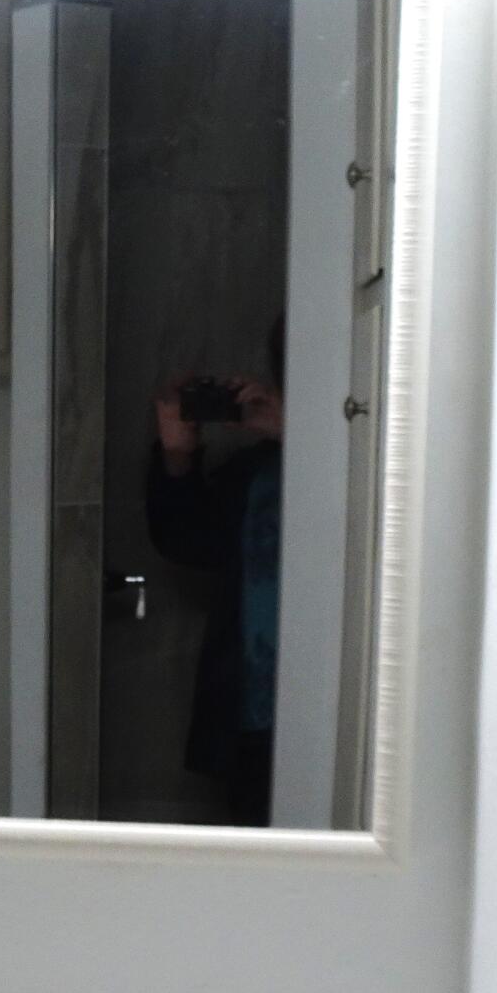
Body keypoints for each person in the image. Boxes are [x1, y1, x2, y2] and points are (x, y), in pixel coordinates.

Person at [145, 320, 284, 827]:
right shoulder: (254, 471)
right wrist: (178, 454)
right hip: (254, 711)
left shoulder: (381, 458)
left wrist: (306, 435)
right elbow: (189, 543)